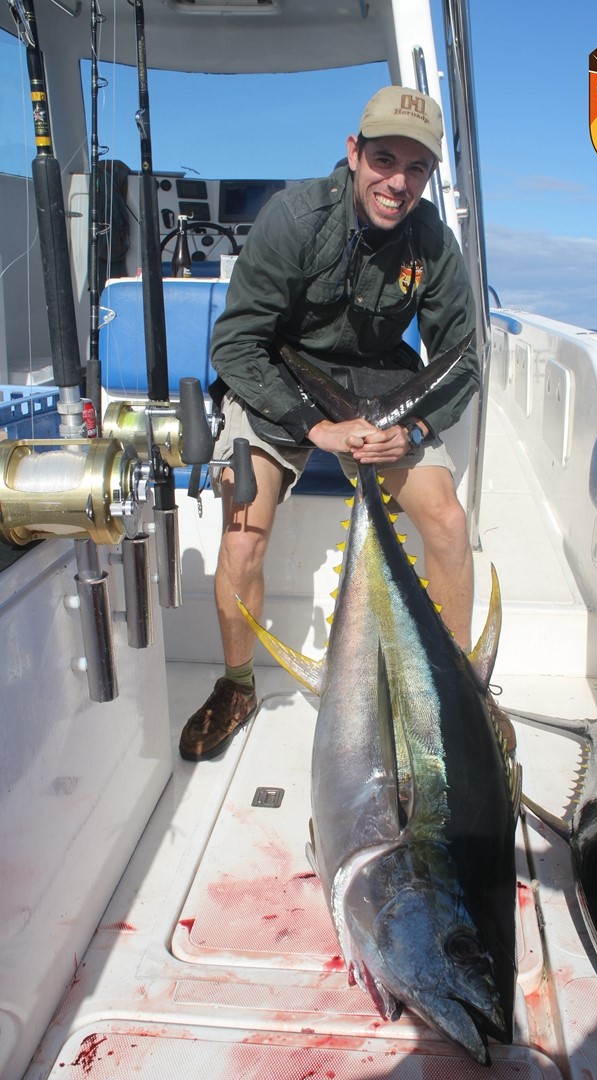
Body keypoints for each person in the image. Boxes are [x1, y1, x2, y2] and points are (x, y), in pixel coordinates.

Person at [179, 86, 480, 762]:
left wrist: (417, 432)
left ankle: (457, 691)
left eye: (416, 169)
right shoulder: (295, 218)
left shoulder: (431, 240)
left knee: (448, 521)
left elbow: (462, 361)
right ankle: (236, 683)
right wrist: (313, 427)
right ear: (353, 153)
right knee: (240, 537)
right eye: (383, 160)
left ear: (429, 175)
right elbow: (236, 345)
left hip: (381, 388)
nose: (397, 183)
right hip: (279, 378)